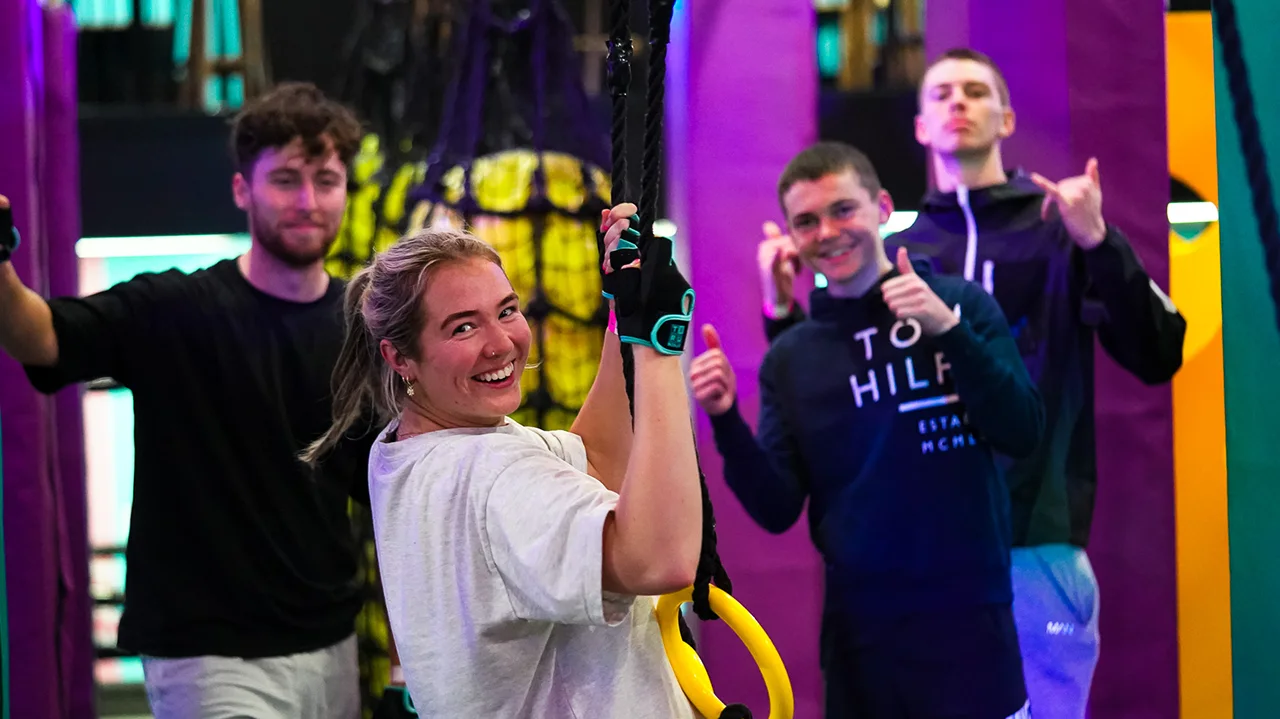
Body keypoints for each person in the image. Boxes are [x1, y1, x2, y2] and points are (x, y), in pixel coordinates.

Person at [758, 50, 1187, 719]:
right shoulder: (894, 254)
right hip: (934, 568)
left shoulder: (1061, 230)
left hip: (1038, 541)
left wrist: (1099, 241)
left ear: (1007, 118)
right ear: (920, 125)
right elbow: (827, 401)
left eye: (976, 91)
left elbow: (1160, 352)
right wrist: (781, 314)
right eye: (941, 93)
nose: (958, 102)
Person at [0, 82, 374, 718]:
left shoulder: (364, 327)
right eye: (285, 180)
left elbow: (395, 475)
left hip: (331, 644)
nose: (307, 201)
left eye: (326, 181)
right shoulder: (175, 308)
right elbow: (41, 337)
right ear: (242, 190)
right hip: (209, 657)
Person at [303, 203, 700, 717]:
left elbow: (599, 460)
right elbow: (660, 559)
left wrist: (623, 315)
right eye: (463, 328)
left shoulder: (405, 450)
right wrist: (660, 347)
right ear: (399, 358)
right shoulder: (493, 475)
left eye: (507, 311)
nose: (501, 344)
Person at [691, 142, 1043, 718]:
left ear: (881, 208)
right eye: (807, 221)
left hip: (973, 630)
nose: (828, 232)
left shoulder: (958, 304)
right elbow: (776, 507)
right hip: (863, 646)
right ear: (792, 236)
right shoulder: (793, 357)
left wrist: (948, 331)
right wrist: (726, 418)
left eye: (843, 210)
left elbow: (1022, 430)